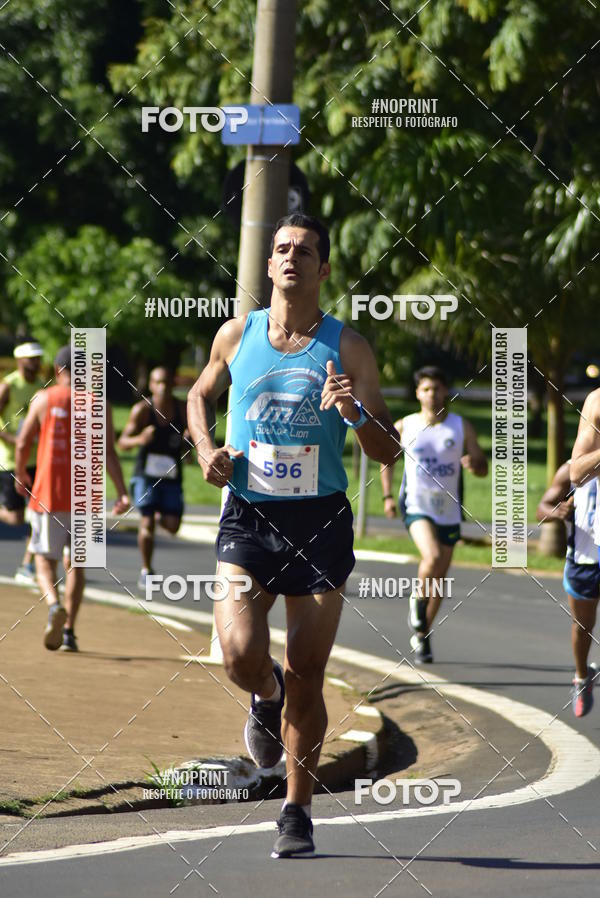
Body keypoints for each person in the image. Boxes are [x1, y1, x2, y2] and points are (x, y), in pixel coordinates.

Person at [187, 213, 398, 858]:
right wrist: (203, 448)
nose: (290, 258)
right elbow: (198, 395)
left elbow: (387, 449)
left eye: (304, 251)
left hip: (321, 522)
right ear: (269, 263)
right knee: (239, 655)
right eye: (281, 248)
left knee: (308, 669)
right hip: (249, 515)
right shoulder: (237, 333)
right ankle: (264, 697)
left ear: (323, 269)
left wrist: (354, 413)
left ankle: (296, 811)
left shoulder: (349, 347)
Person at [14, 345, 129, 652]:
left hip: (48, 494)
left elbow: (23, 441)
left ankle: (53, 605)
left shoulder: (43, 399)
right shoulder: (99, 404)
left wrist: (21, 474)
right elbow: (109, 453)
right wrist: (121, 491)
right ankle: (69, 632)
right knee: (78, 565)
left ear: (57, 371)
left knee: (43, 559)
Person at [380, 366, 488, 663]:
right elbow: (387, 461)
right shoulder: (406, 425)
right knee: (432, 558)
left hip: (449, 508)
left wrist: (475, 462)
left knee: (439, 576)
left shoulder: (460, 426)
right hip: (416, 504)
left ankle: (422, 634)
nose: (432, 394)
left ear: (446, 392)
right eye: (426, 389)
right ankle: (417, 600)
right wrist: (388, 496)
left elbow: (481, 466)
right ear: (417, 393)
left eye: (437, 388)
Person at [536, 460, 599, 717]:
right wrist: (557, 512)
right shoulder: (573, 468)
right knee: (583, 627)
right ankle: (582, 677)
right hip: (584, 561)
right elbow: (542, 508)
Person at [118, 366, 189, 592]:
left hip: (171, 477)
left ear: (173, 385)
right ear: (150, 385)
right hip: (146, 476)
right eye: (158, 383)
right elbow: (122, 443)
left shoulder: (183, 409)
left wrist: (189, 442)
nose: (163, 388)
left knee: (172, 526)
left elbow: (193, 444)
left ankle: (157, 514)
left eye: (167, 383)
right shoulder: (142, 410)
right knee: (146, 522)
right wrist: (140, 438)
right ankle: (146, 570)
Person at [0, 340, 45, 582]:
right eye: (31, 359)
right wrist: (9, 437)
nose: (35, 363)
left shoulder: (42, 386)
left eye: (38, 358)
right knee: (16, 518)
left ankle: (27, 566)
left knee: (37, 514)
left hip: (36, 459)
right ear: (20, 361)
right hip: (9, 459)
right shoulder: (9, 385)